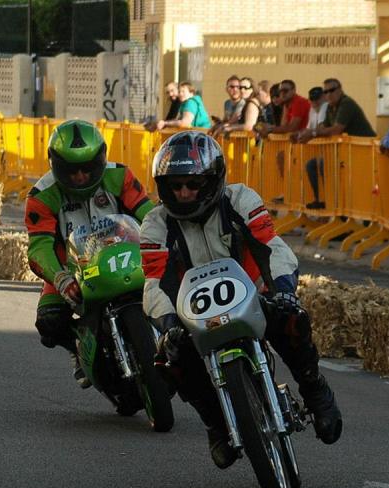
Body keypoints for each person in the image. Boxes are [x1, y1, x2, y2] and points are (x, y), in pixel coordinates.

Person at [140, 131, 342, 470]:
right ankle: (216, 424)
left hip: (253, 294)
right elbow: (154, 281)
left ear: (213, 179)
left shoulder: (240, 199)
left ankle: (313, 387)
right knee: (168, 360)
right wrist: (169, 324)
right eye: (175, 186)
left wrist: (283, 292)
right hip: (194, 314)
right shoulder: (155, 223)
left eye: (193, 183)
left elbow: (271, 246)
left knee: (293, 318)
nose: (184, 193)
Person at [24, 119, 154, 392]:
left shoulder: (120, 176)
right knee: (48, 322)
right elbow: (39, 248)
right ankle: (79, 347)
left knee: (168, 288)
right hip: (71, 268)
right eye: (71, 170)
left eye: (87, 168)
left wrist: (160, 242)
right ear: (55, 164)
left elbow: (149, 216)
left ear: (101, 157)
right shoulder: (41, 195)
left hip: (125, 256)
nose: (81, 176)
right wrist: (59, 278)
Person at [307, 79, 376, 208]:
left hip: (364, 152)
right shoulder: (329, 107)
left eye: (332, 90)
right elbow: (323, 128)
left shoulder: (346, 103)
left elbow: (336, 129)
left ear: (340, 90)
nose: (328, 94)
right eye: (325, 92)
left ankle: (337, 207)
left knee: (325, 165)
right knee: (312, 164)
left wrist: (313, 133)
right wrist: (316, 131)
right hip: (347, 153)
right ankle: (323, 200)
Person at [291, 87, 328, 209]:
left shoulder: (325, 106)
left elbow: (320, 127)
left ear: (323, 97)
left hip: (333, 150)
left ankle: (328, 201)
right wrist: (299, 133)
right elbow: (309, 128)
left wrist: (307, 133)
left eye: (317, 99)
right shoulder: (313, 109)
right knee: (310, 165)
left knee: (323, 166)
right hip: (322, 151)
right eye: (313, 99)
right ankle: (319, 199)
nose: (315, 102)